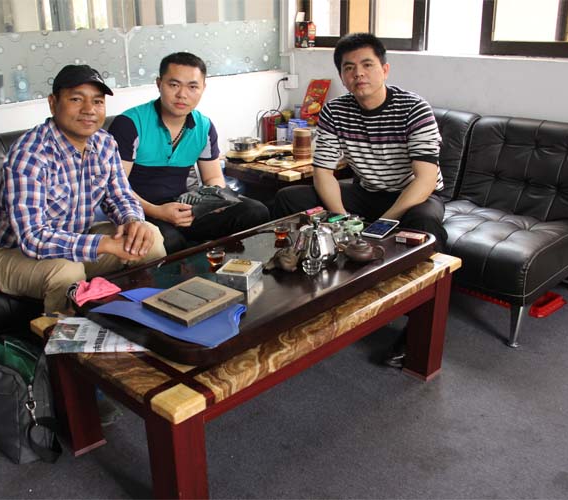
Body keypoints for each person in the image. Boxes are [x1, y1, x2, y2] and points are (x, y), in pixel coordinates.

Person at [272, 33, 446, 367]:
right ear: (342, 76)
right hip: (366, 192)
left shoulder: (414, 109)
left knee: (425, 224)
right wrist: (342, 219)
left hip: (413, 195)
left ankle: (418, 327)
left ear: (384, 69)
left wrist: (386, 221)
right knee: (288, 198)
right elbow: (323, 172)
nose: (358, 74)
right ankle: (294, 292)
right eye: (349, 68)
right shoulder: (335, 111)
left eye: (367, 65)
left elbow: (425, 179)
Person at [0, 64, 166, 315]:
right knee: (67, 272)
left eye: (97, 101)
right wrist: (103, 243)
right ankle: (63, 336)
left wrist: (132, 220)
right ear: (53, 103)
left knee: (149, 238)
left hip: (75, 243)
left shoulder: (105, 143)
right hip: (14, 254)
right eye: (76, 99)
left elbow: (119, 196)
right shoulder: (30, 154)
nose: (89, 109)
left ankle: (144, 319)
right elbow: (33, 238)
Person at [108, 52, 269, 254]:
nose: (182, 95)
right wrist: (158, 211)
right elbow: (116, 188)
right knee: (170, 241)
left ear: (203, 88)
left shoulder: (203, 126)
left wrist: (216, 200)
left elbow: (213, 177)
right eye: (174, 85)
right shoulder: (130, 124)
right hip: (142, 210)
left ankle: (235, 268)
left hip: (185, 207)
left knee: (255, 211)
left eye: (192, 87)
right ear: (159, 84)